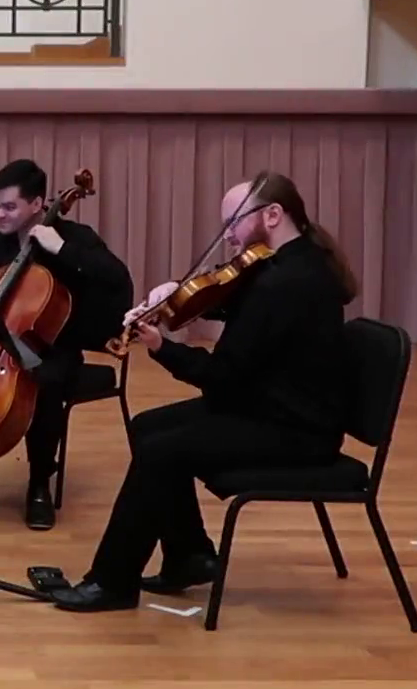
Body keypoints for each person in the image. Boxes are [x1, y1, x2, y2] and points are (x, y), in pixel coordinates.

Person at [40, 170, 360, 612]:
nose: (227, 237)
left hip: (294, 428)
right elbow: (240, 303)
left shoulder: (286, 283)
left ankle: (111, 581)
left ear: (272, 214)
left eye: (233, 223)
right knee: (150, 427)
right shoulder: (290, 262)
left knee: (161, 452)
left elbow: (222, 376)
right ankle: (188, 556)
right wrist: (178, 295)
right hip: (273, 405)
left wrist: (162, 348)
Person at [0, 158, 135, 530]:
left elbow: (118, 280)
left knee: (42, 383)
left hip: (55, 348)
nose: (0, 214)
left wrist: (61, 249)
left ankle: (38, 484)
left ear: (38, 203)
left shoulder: (76, 238)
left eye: (9, 206)